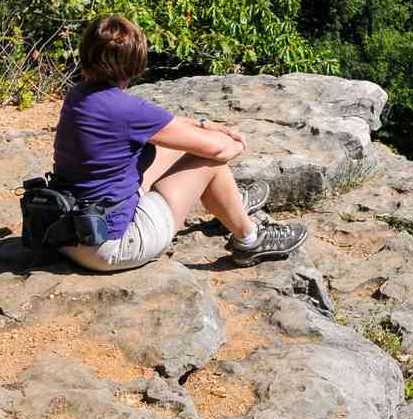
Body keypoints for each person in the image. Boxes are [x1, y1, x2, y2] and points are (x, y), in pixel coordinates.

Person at [53, 15, 308, 271]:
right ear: (135, 61)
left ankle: (231, 205)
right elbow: (218, 150)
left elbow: (167, 126)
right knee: (210, 161)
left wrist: (205, 124)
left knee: (168, 146)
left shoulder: (79, 94)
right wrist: (237, 142)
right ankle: (250, 239)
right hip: (111, 246)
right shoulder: (127, 110)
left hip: (70, 233)